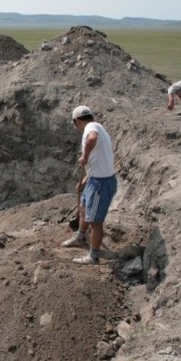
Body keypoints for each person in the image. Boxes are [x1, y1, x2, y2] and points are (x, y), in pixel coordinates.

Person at [60, 106, 117, 265]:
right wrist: (84, 181)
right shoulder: (98, 127)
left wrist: (84, 156)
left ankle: (93, 256)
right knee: (84, 207)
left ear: (77, 121)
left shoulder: (91, 128)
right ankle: (80, 236)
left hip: (101, 183)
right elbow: (97, 161)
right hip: (94, 179)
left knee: (95, 222)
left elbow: (92, 138)